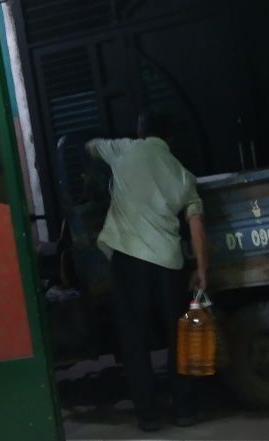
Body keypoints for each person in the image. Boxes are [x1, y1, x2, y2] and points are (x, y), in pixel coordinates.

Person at [85, 110, 209, 433]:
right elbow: (196, 224)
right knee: (178, 336)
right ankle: (183, 410)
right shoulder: (182, 173)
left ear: (141, 133)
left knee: (134, 340)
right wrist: (201, 269)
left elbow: (91, 146)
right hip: (169, 264)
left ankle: (148, 416)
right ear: (170, 139)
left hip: (128, 260)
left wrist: (98, 152)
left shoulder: (124, 149)